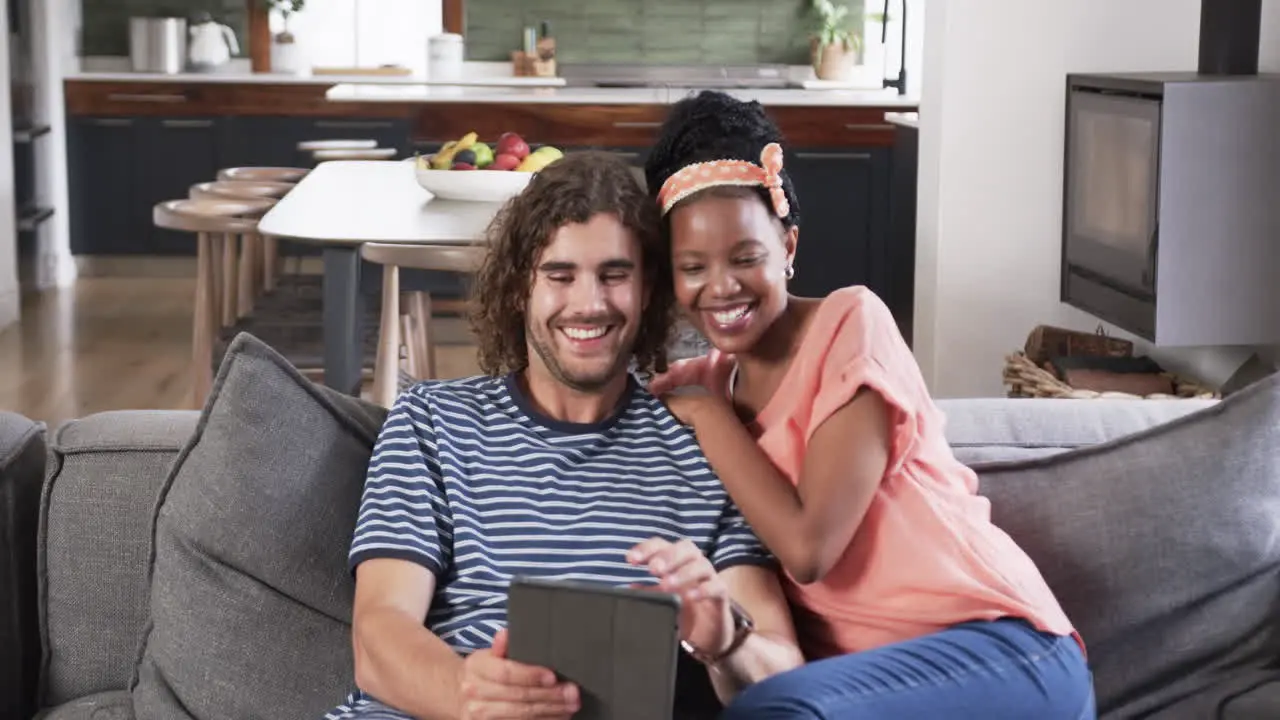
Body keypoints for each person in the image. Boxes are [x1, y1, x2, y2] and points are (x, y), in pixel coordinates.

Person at [644, 91, 1096, 719]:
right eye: (692, 267)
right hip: (862, 689)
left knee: (772, 711)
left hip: (1002, 651)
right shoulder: (703, 383)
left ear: (789, 247)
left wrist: (707, 417)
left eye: (746, 258)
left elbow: (809, 551)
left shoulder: (851, 326)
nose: (720, 286)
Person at [323, 151, 804, 720]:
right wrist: (471, 698)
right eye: (560, 275)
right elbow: (379, 636)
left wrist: (725, 641)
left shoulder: (709, 451)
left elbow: (784, 672)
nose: (589, 303)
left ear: (647, 289)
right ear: (521, 287)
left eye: (614, 275)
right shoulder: (431, 422)